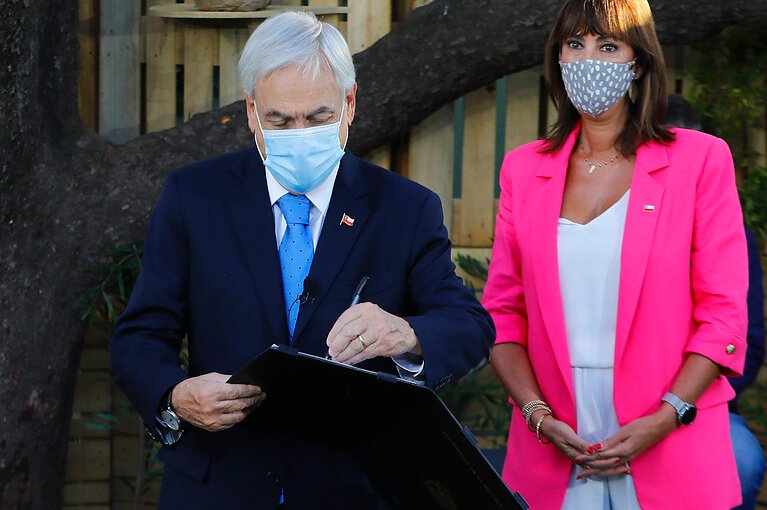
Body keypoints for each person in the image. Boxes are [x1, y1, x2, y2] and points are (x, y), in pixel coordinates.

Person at [109, 12, 494, 509]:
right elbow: (140, 337)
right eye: (279, 120)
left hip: (351, 488)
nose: (299, 133)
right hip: (219, 485)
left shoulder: (405, 208)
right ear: (251, 112)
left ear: (350, 104)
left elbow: (469, 326)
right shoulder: (194, 198)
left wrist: (408, 334)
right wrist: (176, 396)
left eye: (317, 117)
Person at [481, 0, 749, 508]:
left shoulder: (701, 161)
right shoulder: (523, 169)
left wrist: (667, 416)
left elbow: (723, 314)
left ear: (639, 62)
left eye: (607, 46)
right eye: (574, 45)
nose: (588, 60)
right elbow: (502, 314)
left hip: (668, 432)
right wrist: (538, 415)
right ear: (556, 57)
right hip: (554, 443)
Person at [667, 93, 767, 510]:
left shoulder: (732, 234)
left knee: (742, 462)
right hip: (606, 401)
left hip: (702, 405)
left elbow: (751, 343)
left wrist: (682, 401)